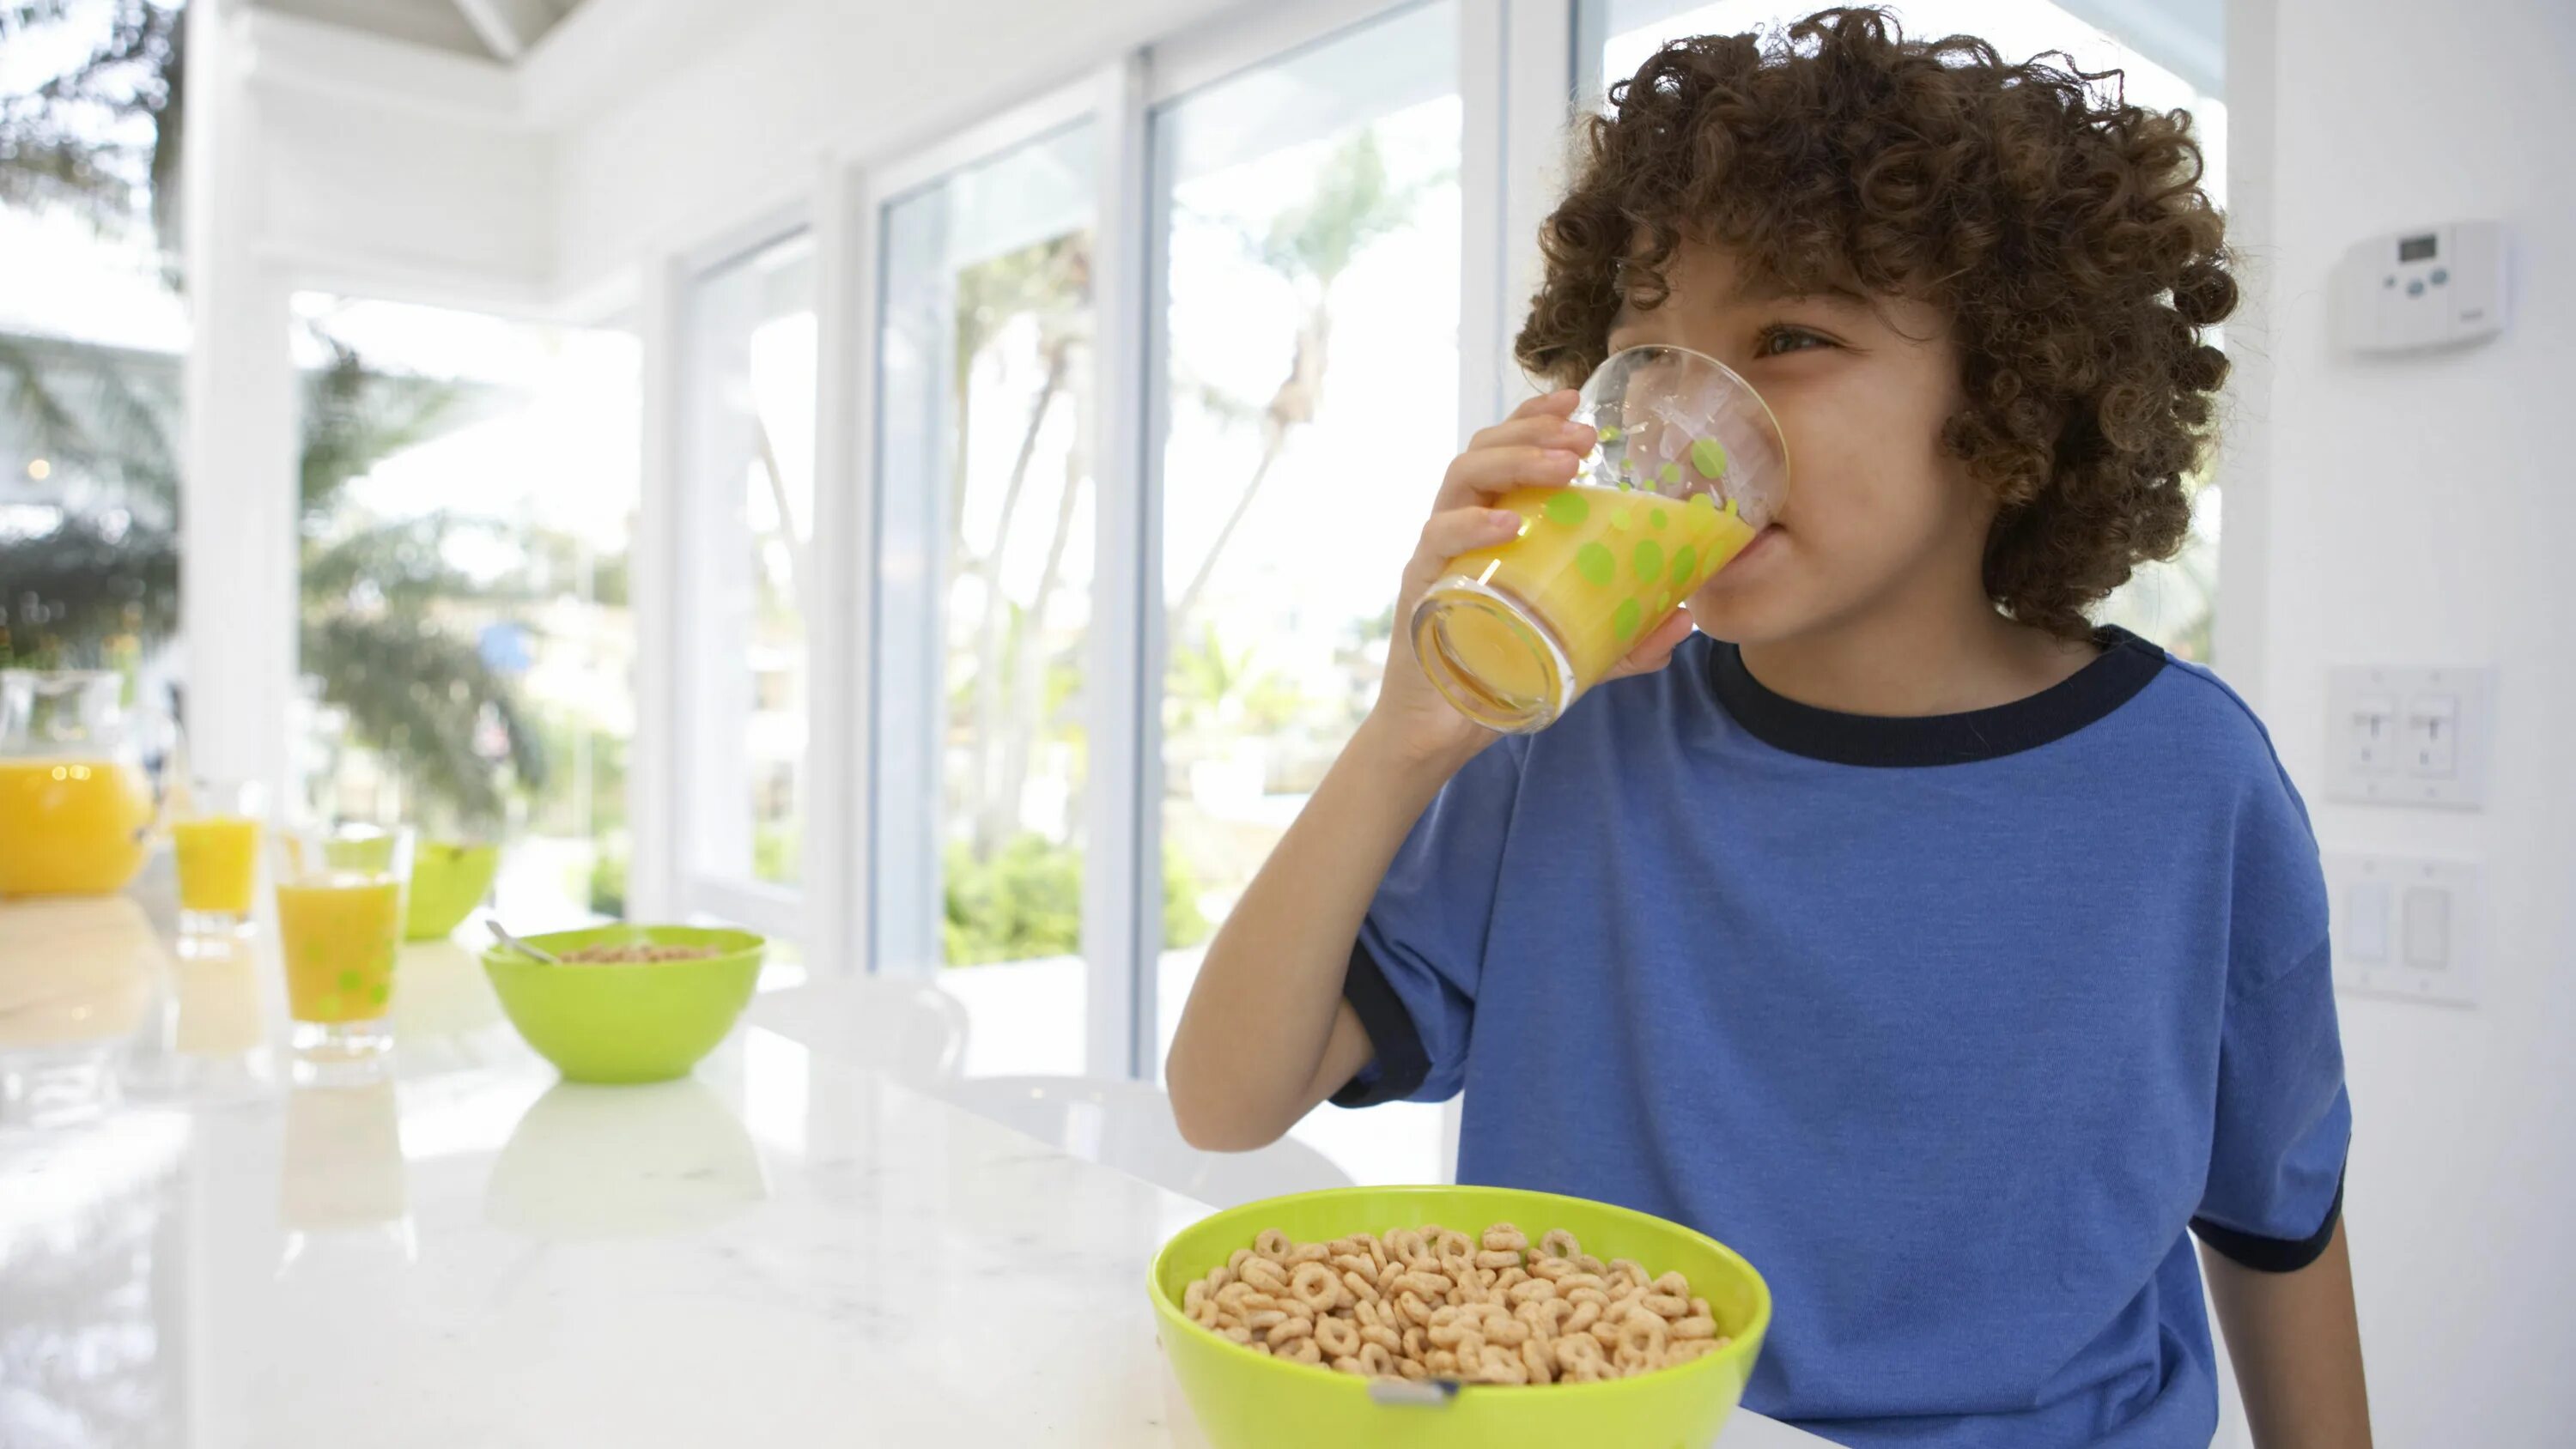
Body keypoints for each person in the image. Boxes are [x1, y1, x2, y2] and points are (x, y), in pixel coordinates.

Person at [1163, 9, 2370, 1446]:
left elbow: (2277, 1216)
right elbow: (1226, 1102)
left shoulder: (2191, 784)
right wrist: (1407, 733)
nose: (1686, 413)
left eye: (1789, 337)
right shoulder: (1566, 742)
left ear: (2011, 393)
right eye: (1643, 351)